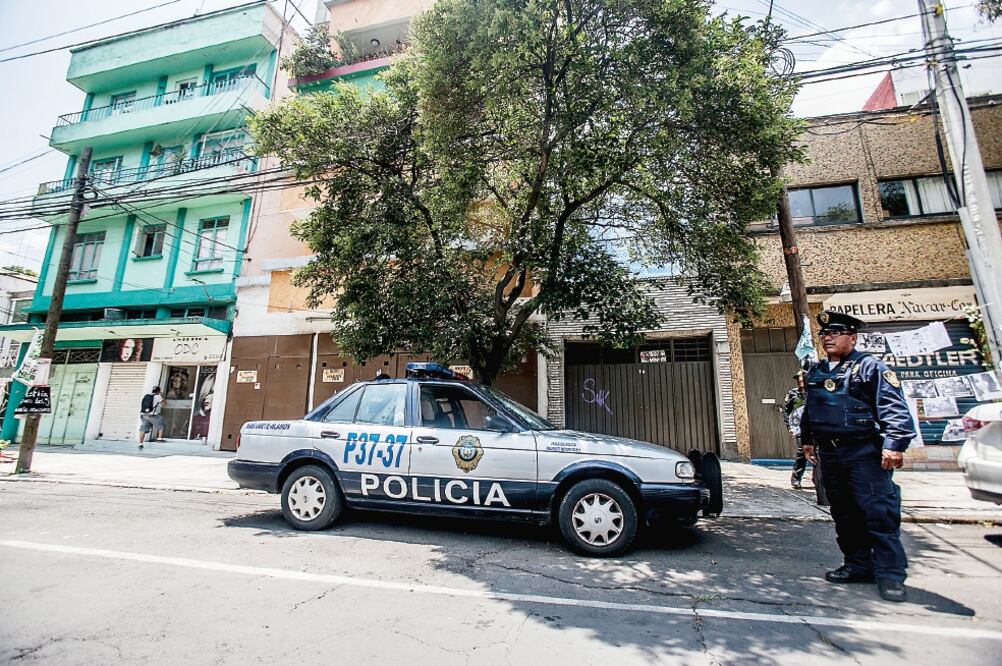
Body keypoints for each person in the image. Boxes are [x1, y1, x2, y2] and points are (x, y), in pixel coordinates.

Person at [801, 311, 916, 603]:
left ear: (852, 338)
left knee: (878, 512)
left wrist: (894, 444)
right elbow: (810, 411)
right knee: (844, 512)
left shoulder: (870, 367)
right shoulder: (816, 371)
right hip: (831, 452)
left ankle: (890, 574)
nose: (828, 338)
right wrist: (807, 441)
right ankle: (857, 564)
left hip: (863, 451)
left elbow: (893, 408)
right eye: (825, 334)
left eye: (836, 333)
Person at [783, 372, 807, 489]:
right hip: (799, 427)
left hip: (815, 426)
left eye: (801, 378)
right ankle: (796, 478)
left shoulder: (813, 392)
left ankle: (817, 478)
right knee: (801, 452)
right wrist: (790, 427)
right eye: (797, 379)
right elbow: (786, 412)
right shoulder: (793, 394)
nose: (799, 381)